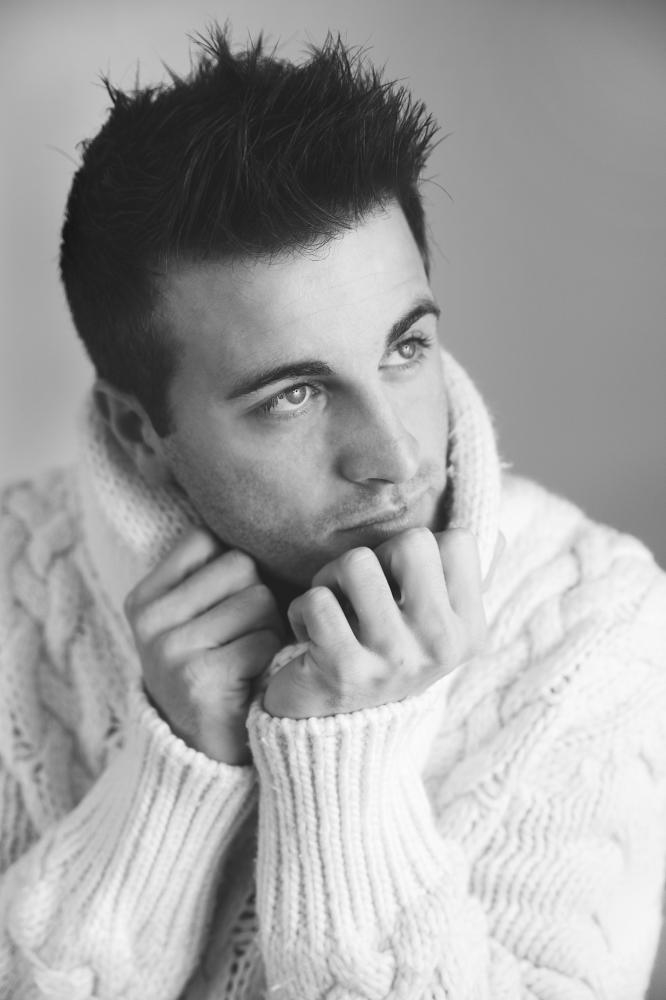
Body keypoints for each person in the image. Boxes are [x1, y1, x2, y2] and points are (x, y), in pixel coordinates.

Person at [1, 23, 665, 1000]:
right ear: (140, 431)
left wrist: (347, 765)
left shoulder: (601, 624)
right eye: (295, 395)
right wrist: (168, 781)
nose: (397, 458)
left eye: (406, 347)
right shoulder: (14, 589)